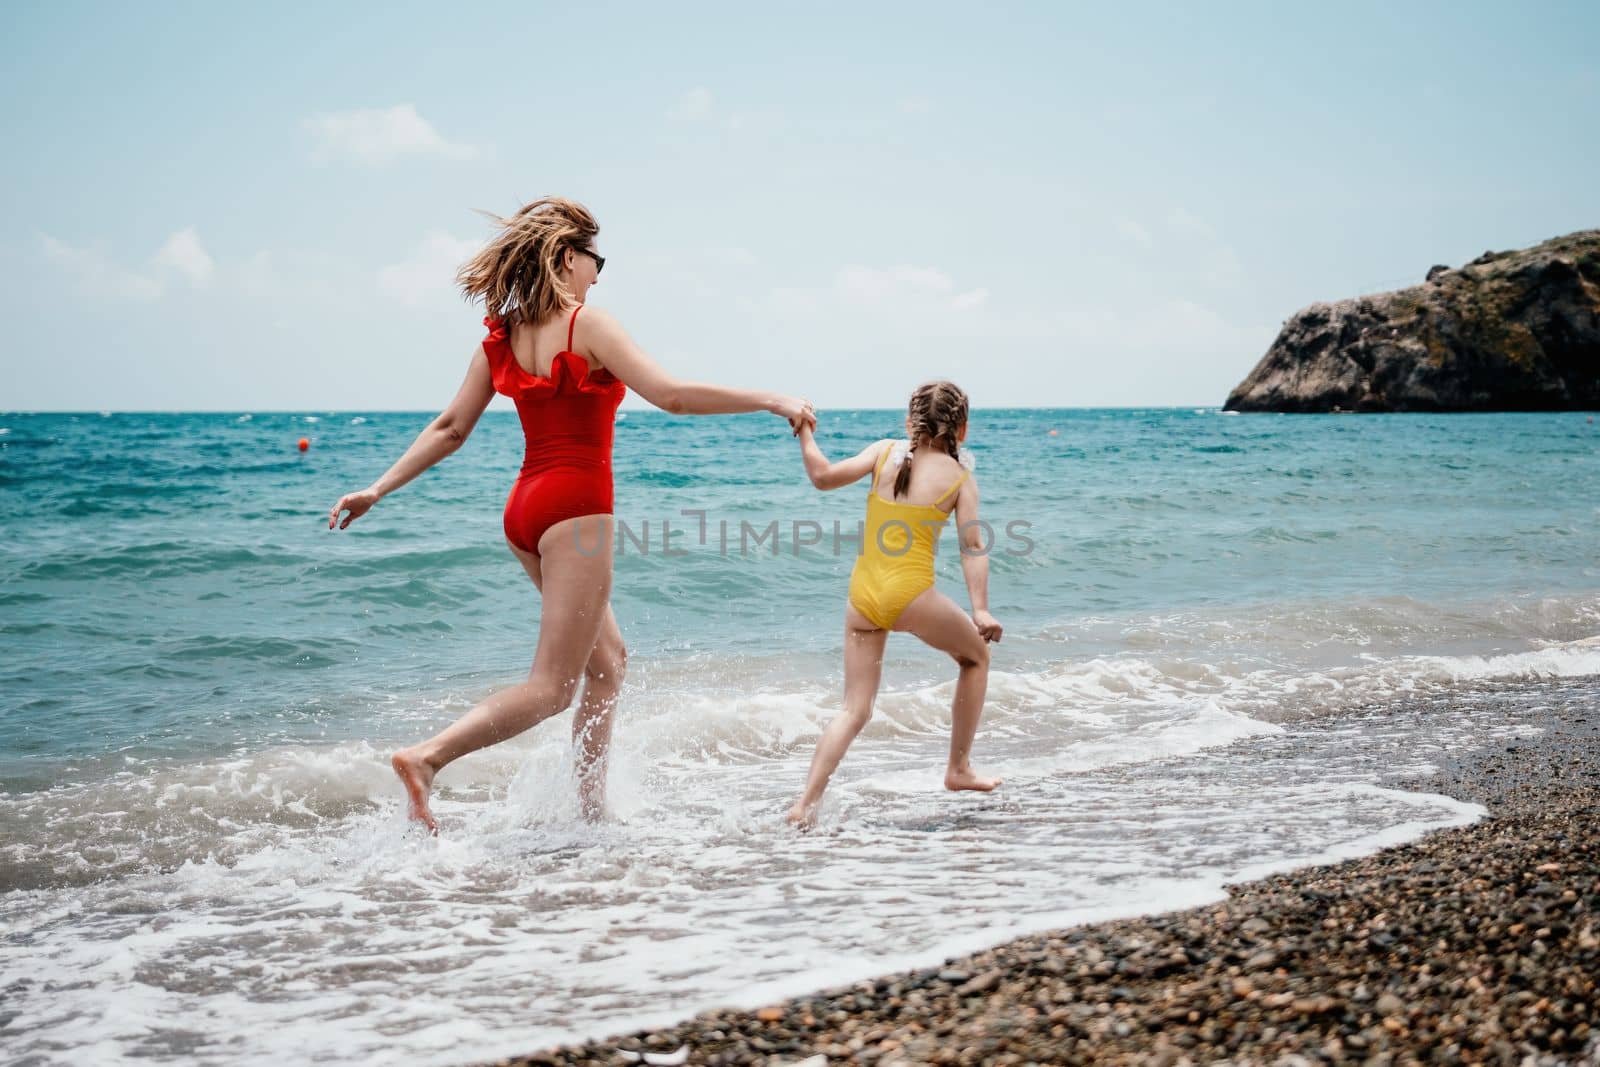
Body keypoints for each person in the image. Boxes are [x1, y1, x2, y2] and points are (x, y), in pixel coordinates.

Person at [327, 196, 816, 834]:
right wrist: (770, 397)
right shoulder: (589, 325)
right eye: (595, 259)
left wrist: (376, 489)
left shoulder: (501, 340)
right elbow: (670, 395)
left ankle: (589, 811)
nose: (597, 274)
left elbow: (450, 429)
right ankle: (427, 759)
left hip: (526, 511)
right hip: (576, 511)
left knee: (608, 662)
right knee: (553, 688)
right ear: (565, 258)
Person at [785, 381, 1002, 829]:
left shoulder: (884, 452)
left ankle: (803, 806)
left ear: (910, 422)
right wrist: (980, 609)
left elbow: (822, 476)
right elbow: (973, 545)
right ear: (962, 428)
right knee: (976, 658)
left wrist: (805, 432)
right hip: (912, 597)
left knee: (853, 709)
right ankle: (958, 768)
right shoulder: (960, 478)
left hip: (862, 598)